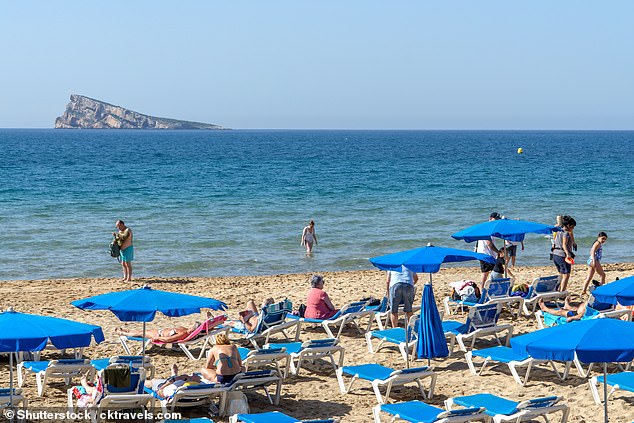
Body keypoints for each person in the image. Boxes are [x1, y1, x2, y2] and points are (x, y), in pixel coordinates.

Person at [475, 212, 501, 290]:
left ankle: (488, 287)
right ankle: (482, 288)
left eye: (497, 219)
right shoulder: (486, 228)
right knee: (486, 272)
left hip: (488, 254)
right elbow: (489, 244)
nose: (496, 221)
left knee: (492, 271)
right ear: (490, 218)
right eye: (495, 219)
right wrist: (498, 252)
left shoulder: (491, 229)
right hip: (484, 254)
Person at [551, 215, 576, 292]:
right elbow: (564, 245)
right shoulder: (566, 233)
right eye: (572, 227)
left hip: (555, 254)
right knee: (566, 275)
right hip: (562, 255)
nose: (573, 228)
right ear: (568, 225)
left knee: (561, 274)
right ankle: (562, 292)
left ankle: (558, 290)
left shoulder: (558, 231)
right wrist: (568, 253)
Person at [115, 321, 200, 343]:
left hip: (158, 335)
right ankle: (128, 331)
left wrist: (157, 338)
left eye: (193, 326)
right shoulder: (185, 329)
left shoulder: (184, 333)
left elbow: (169, 339)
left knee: (141, 333)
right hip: (159, 331)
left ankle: (123, 333)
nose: (191, 325)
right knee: (142, 331)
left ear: (193, 329)